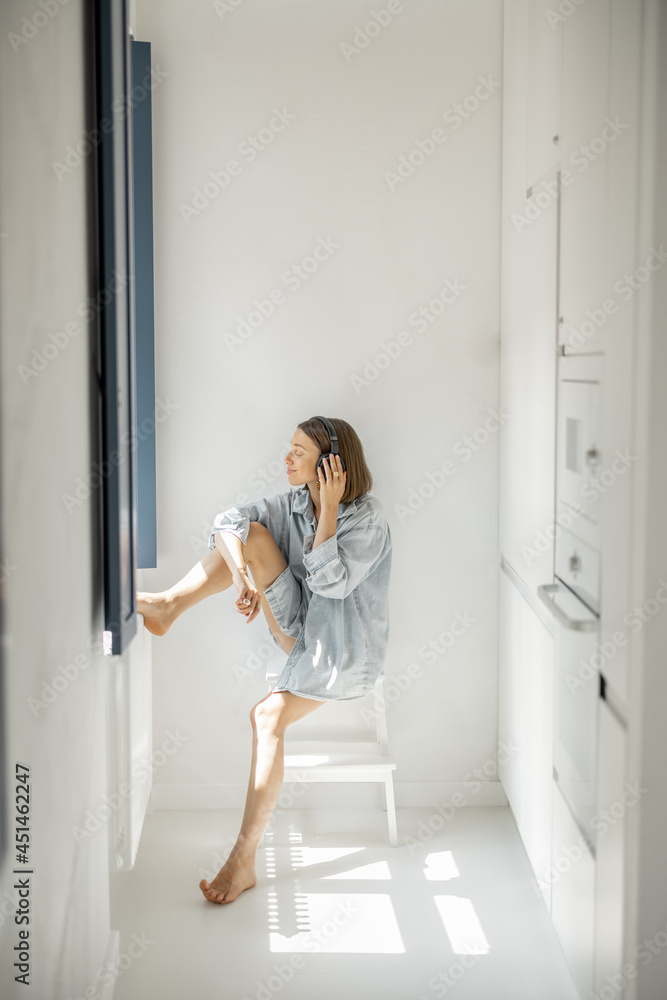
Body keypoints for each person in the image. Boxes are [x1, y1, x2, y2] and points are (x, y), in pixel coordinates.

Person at [137, 416, 392, 904]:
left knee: (266, 716)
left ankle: (243, 859)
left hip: (341, 651)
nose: (287, 459)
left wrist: (331, 510)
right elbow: (226, 522)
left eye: (299, 451)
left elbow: (330, 584)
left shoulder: (368, 521)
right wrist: (241, 577)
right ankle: (168, 605)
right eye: (290, 448)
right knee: (249, 532)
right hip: (299, 628)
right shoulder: (293, 503)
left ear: (331, 464)